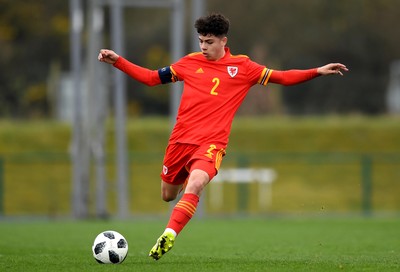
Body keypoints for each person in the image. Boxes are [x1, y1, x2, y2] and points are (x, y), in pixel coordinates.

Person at [98, 13, 348, 260]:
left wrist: (317, 71)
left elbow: (281, 77)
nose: (204, 47)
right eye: (201, 41)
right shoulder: (189, 63)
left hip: (211, 143)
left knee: (196, 183)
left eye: (209, 42)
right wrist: (118, 61)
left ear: (223, 41)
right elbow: (152, 78)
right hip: (180, 141)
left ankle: (169, 234)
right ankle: (187, 192)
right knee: (168, 195)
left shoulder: (243, 67)